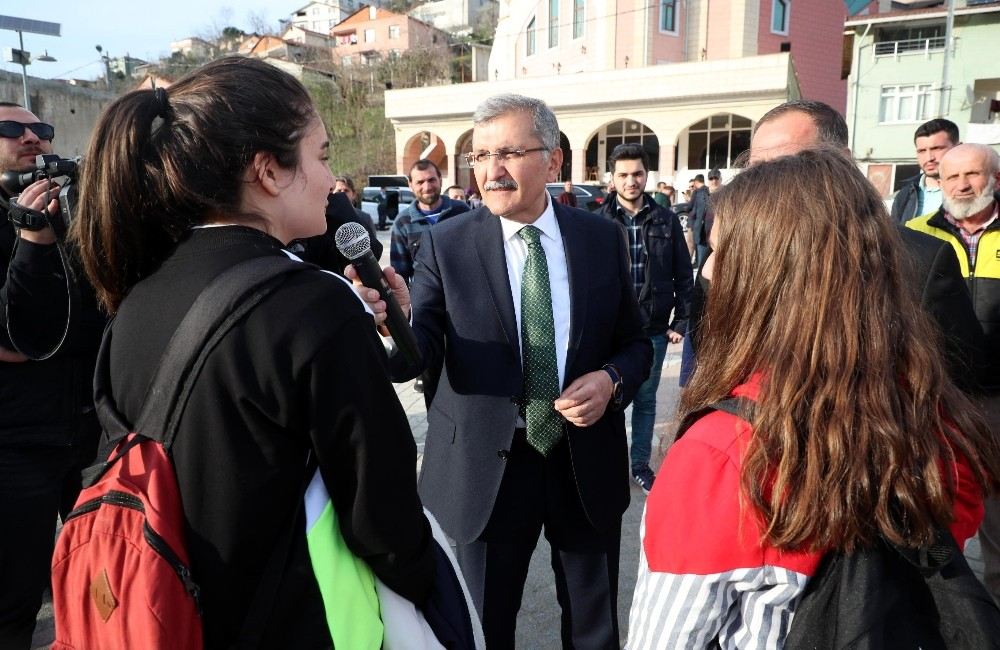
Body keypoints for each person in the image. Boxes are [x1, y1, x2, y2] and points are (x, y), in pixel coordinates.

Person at [70, 57, 435, 647]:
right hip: (290, 620)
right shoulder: (312, 302)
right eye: (320, 155)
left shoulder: (135, 294)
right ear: (267, 171)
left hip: (167, 613)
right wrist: (427, 588)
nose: (331, 180)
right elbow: (382, 513)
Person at [628, 147, 1000, 648]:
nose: (709, 271)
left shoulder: (719, 453)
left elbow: (665, 638)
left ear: (768, 274)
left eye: (721, 252)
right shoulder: (936, 415)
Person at [350, 93, 652, 649]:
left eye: (509, 153)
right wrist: (394, 323)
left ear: (554, 160)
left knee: (595, 629)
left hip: (583, 460)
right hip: (484, 471)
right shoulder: (448, 244)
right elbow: (420, 356)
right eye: (480, 155)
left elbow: (635, 343)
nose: (491, 171)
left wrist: (611, 380)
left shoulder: (600, 239)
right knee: (482, 629)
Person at [0, 103, 105, 648]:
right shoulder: (33, 229)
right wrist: (31, 245)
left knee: (105, 583)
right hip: (15, 447)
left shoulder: (77, 219)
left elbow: (94, 322)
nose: (32, 138)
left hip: (91, 436)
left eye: (41, 129)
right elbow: (20, 335)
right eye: (11, 129)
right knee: (14, 599)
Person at [907, 142, 1000, 603]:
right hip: (939, 400)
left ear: (994, 178)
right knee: (942, 512)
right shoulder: (914, 234)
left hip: (997, 400)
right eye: (952, 177)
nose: (963, 185)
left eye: (974, 174)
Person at [596, 143, 692, 493]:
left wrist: (681, 321)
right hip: (608, 329)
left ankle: (639, 464)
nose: (631, 180)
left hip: (651, 328)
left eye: (637, 173)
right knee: (609, 400)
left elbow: (684, 274)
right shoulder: (597, 222)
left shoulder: (665, 219)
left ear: (646, 175)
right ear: (612, 179)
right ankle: (609, 463)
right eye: (623, 174)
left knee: (646, 399)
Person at [389, 158, 470, 286]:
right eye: (420, 182)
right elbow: (400, 275)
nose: (427, 187)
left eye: (431, 180)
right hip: (425, 301)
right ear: (410, 185)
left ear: (440, 180)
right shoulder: (403, 223)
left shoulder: (461, 211)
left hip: (463, 294)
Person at [287, 173, 382, 273]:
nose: (332, 183)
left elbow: (373, 251)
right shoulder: (319, 222)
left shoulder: (363, 217)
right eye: (339, 191)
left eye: (346, 191)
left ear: (353, 194)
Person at [891, 118, 960, 224]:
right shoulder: (906, 194)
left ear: (958, 148)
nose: (929, 158)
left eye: (937, 148)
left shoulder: (974, 191)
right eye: (922, 151)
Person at [688, 173, 710, 267]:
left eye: (692, 185)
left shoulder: (697, 192)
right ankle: (697, 262)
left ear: (696, 182)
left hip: (695, 224)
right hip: (703, 224)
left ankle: (689, 264)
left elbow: (690, 207)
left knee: (691, 244)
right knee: (698, 245)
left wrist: (688, 200)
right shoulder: (708, 191)